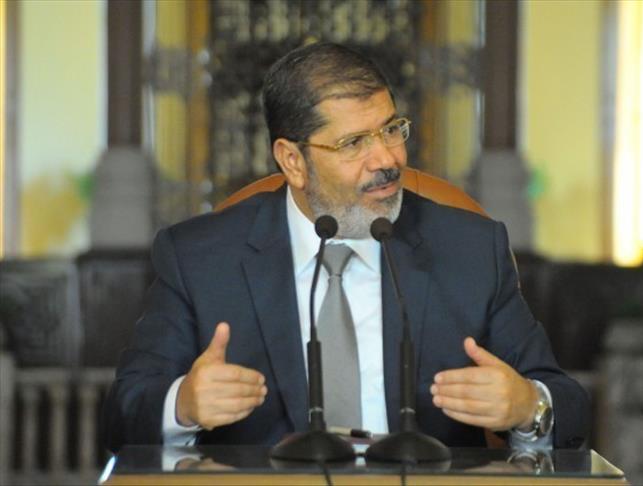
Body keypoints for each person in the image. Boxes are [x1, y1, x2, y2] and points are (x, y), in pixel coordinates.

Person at [104, 42, 590, 452]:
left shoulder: (469, 249)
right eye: (354, 143)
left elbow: (569, 407)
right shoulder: (200, 258)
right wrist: (182, 406)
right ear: (292, 161)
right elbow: (121, 416)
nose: (386, 159)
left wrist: (528, 406)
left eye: (391, 130)